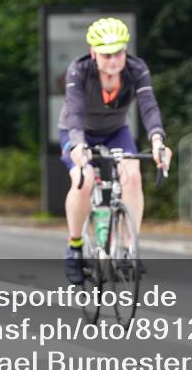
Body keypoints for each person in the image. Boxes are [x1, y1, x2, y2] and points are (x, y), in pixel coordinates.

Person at [59, 18, 172, 284]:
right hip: (77, 132)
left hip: (115, 132)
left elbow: (148, 107)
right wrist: (77, 145)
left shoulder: (136, 69)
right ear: (93, 53)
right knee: (83, 180)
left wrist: (157, 141)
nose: (113, 61)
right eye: (107, 54)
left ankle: (127, 248)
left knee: (132, 174)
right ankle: (74, 247)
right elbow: (74, 112)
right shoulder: (79, 70)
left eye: (119, 53)